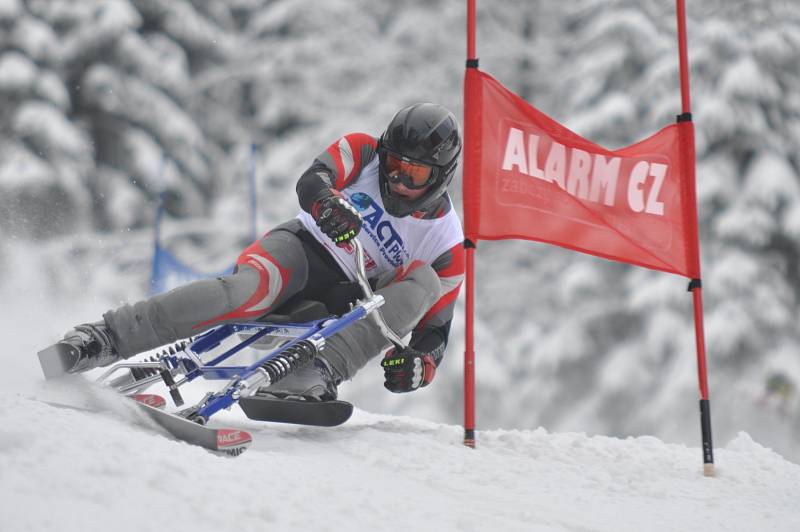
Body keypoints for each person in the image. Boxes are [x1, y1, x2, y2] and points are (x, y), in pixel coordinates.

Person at [45, 102, 465, 401]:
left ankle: (314, 373)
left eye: (415, 174)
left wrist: (419, 366)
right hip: (301, 251)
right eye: (394, 166)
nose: (398, 181)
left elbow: (435, 332)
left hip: (353, 300)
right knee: (244, 292)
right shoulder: (363, 152)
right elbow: (313, 178)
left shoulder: (446, 242)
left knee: (426, 281)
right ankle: (105, 337)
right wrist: (327, 202)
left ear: (441, 177)